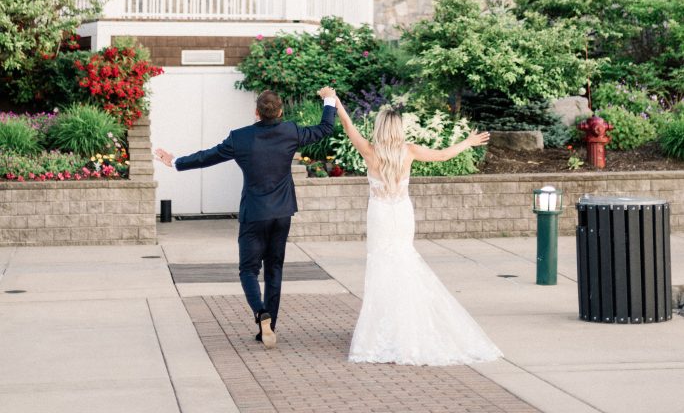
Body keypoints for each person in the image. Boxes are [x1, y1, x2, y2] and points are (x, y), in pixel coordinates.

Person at [155, 86, 337, 348]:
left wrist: (175, 162)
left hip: (254, 213)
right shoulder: (291, 131)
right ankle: (269, 327)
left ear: (256, 113)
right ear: (281, 111)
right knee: (274, 269)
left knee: (248, 270)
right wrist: (329, 99)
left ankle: (260, 312)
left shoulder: (240, 138)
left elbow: (208, 157)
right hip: (282, 213)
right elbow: (324, 129)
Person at [334, 97, 500, 365]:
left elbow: (347, 124)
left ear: (379, 128)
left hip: (380, 216)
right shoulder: (409, 151)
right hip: (401, 214)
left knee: (381, 267)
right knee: (405, 263)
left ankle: (383, 329)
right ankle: (407, 324)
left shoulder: (369, 150)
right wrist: (467, 142)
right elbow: (444, 155)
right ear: (398, 129)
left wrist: (336, 102)